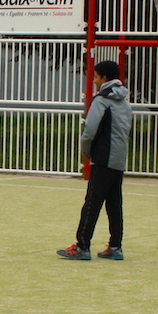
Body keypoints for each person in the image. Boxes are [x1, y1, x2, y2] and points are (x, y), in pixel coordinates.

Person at [60, 58, 132, 261]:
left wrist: (85, 149)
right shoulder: (125, 102)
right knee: (114, 203)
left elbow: (90, 130)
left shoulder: (101, 100)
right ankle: (115, 246)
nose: (94, 81)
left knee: (92, 202)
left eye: (96, 77)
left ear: (105, 78)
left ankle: (82, 246)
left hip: (103, 157)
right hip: (119, 158)